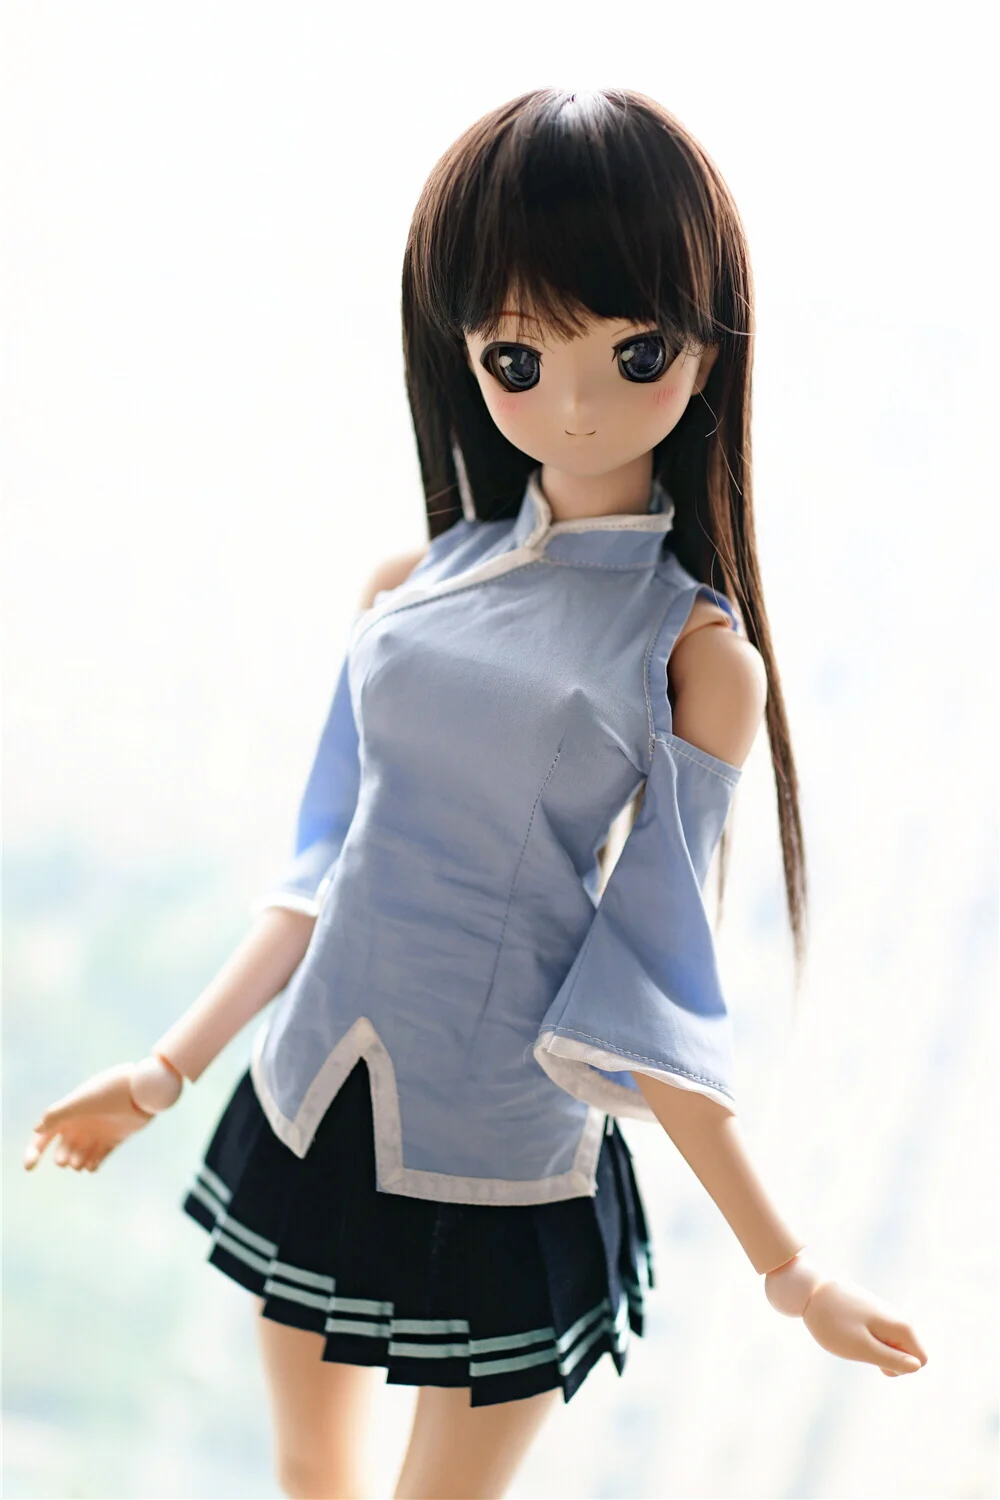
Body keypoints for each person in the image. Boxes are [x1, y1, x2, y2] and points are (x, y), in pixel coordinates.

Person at [23, 87, 928, 1500]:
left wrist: (789, 1267)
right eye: (518, 356)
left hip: (505, 1153)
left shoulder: (692, 655)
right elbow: (319, 873)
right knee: (308, 1470)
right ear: (463, 352)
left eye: (632, 352)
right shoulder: (407, 588)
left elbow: (647, 984)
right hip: (318, 1096)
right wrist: (162, 1072)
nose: (573, 403)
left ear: (706, 348)